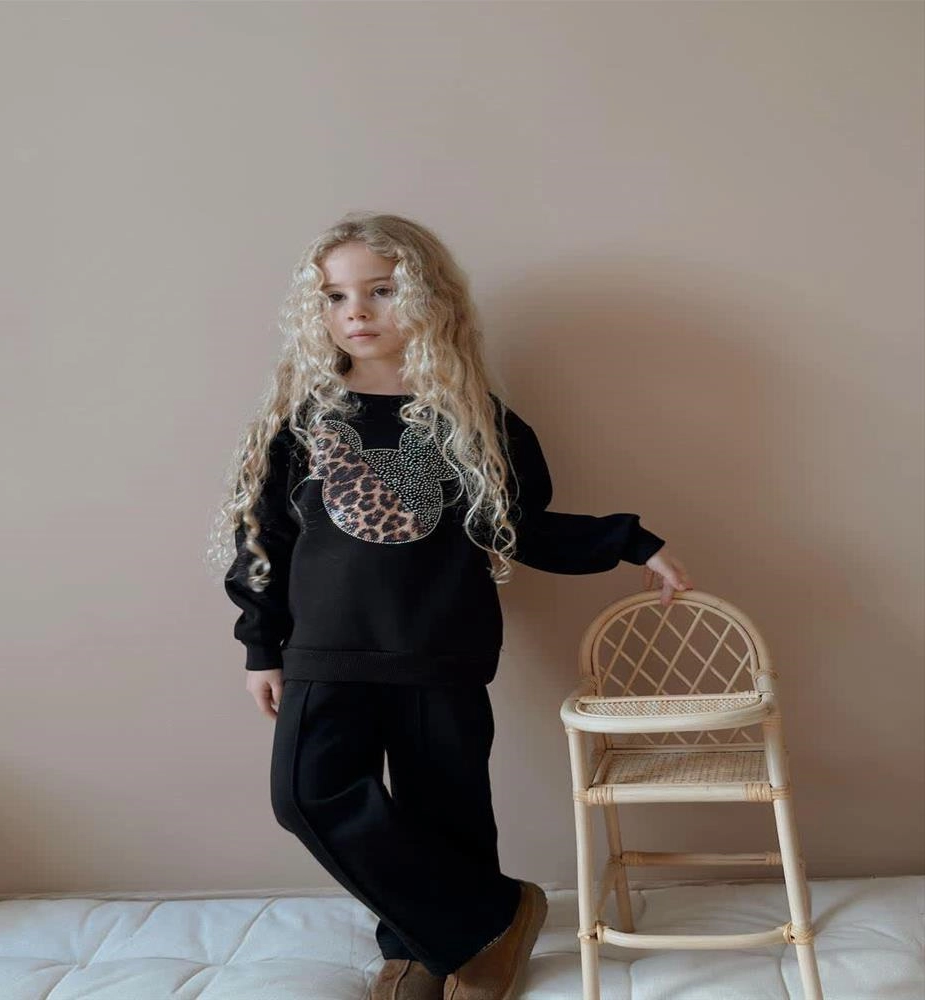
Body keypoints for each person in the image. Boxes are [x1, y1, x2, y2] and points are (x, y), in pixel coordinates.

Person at [210, 212, 694, 1000]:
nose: (356, 312)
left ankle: (422, 953)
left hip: (444, 644)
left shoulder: (478, 423)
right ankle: (491, 916)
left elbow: (522, 528)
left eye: (380, 290)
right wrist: (260, 644)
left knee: (446, 806)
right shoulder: (300, 424)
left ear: (427, 296)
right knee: (307, 796)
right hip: (327, 650)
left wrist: (629, 542)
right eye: (334, 296)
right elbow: (262, 539)